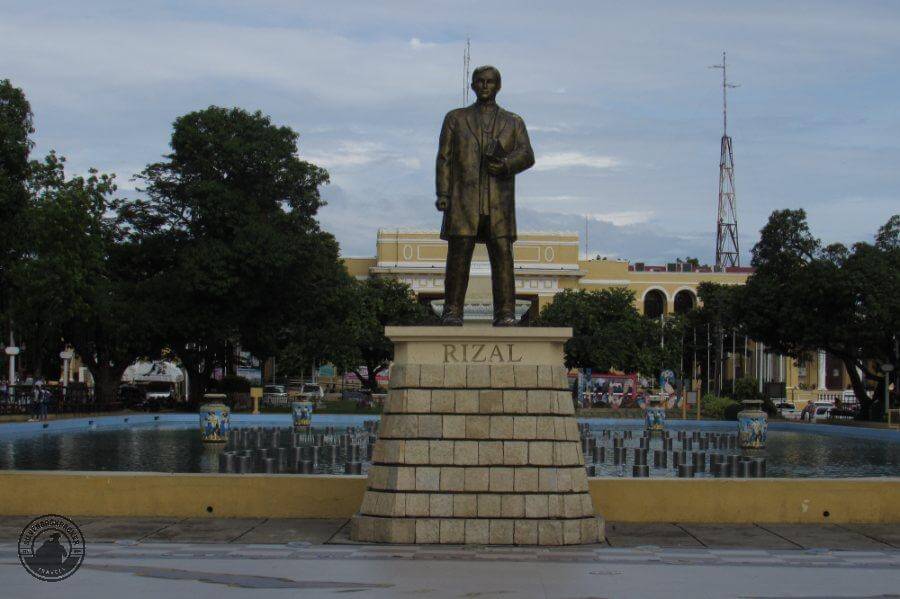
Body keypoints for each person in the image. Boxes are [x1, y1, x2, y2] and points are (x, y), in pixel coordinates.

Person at [435, 65, 535, 326]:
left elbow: (527, 155)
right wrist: (443, 193)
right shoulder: (455, 118)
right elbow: (444, 158)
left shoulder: (514, 122)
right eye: (480, 81)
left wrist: (504, 165)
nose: (485, 86)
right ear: (472, 85)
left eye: (490, 82)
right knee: (458, 256)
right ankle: (452, 311)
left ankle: (505, 313)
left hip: (498, 202)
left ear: (498, 86)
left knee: (503, 256)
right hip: (463, 200)